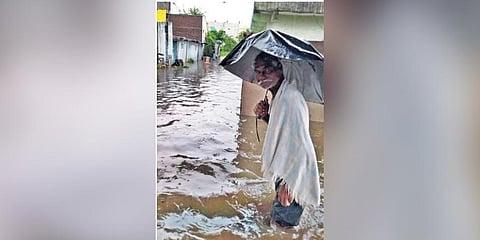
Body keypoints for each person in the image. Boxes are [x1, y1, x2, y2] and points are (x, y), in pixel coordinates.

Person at [252, 52, 321, 228]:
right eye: (257, 72)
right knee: (280, 223)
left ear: (280, 70)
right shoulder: (279, 96)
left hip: (293, 172)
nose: (261, 77)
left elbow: (299, 143)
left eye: (266, 71)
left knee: (281, 227)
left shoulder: (290, 97)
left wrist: (288, 184)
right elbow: (283, 133)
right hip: (287, 170)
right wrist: (267, 116)